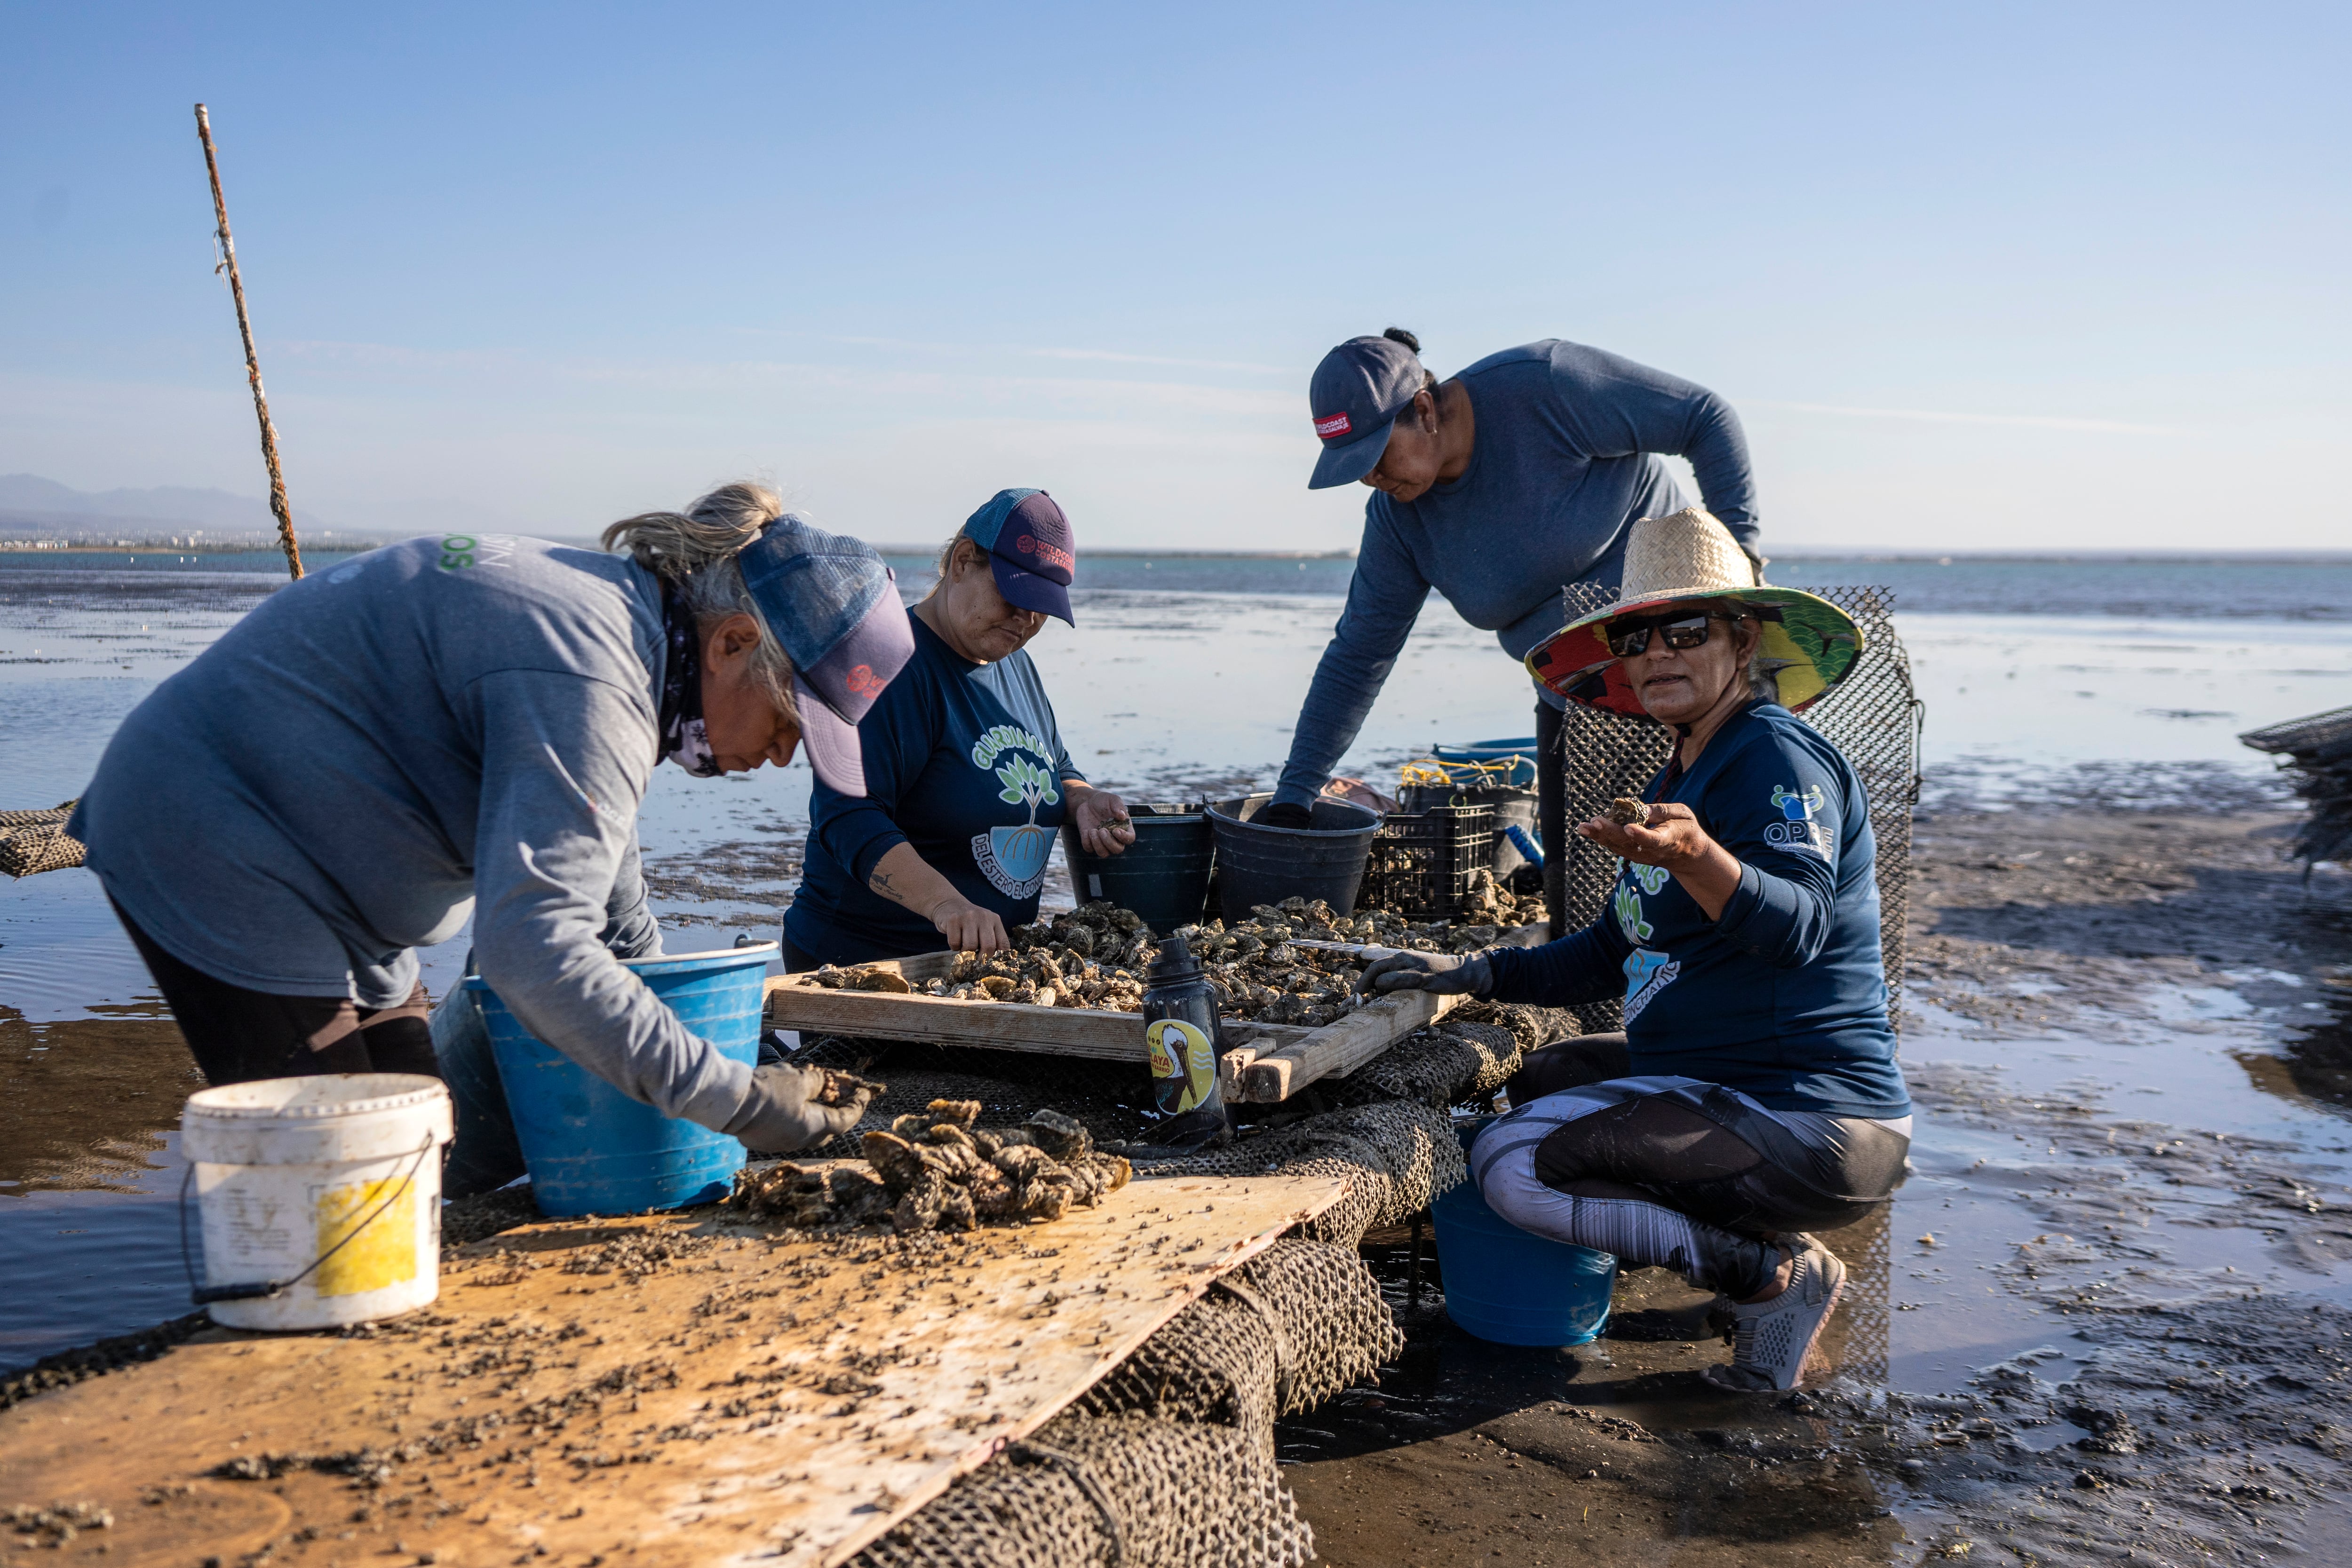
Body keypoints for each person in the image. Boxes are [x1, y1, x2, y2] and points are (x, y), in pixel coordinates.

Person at [71, 484, 915, 1189]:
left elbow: (615, 917)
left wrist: (728, 1046)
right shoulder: (592, 674)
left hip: (343, 889)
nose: (780, 755)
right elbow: (532, 950)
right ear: (733, 642)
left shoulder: (632, 642)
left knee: (418, 1158)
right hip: (218, 839)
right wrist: (736, 1100)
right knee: (341, 1189)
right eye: (789, 721)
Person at [1359, 507, 1903, 1392]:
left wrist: (1700, 856)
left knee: (1509, 1163)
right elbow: (1611, 951)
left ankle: (1772, 1275)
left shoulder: (1775, 755)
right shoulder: (1679, 771)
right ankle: (1748, 1245)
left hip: (1815, 1119)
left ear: (1743, 637)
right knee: (1545, 1077)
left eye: (1686, 629)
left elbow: (1798, 928)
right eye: (1637, 635)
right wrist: (1470, 972)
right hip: (1729, 1089)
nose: (1657, 652)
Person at [1256, 330, 1761, 911]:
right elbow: (1358, 655)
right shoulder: (1399, 519)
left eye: (1374, 456)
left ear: (1422, 409)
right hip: (1575, 701)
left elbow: (1705, 417)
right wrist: (1294, 794)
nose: (1370, 478)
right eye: (1354, 468)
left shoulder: (1544, 386)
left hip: (1692, 684)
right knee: (1581, 898)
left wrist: (1740, 568)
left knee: (1710, 887)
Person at [784, 489, 1134, 967]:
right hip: (867, 962)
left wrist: (1081, 799)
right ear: (962, 561)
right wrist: (945, 905)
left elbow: (1056, 763)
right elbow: (846, 816)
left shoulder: (1016, 666)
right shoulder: (890, 666)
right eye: (1014, 597)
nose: (1027, 619)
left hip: (977, 963)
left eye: (1042, 608)